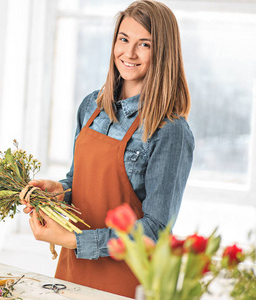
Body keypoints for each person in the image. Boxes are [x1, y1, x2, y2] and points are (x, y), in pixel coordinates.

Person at [22, 0, 194, 298]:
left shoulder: (170, 130)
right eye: (123, 39)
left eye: (144, 44)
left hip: (126, 282)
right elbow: (81, 183)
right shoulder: (92, 106)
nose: (129, 53)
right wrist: (59, 192)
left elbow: (155, 231)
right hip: (71, 272)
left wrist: (75, 239)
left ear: (163, 53)